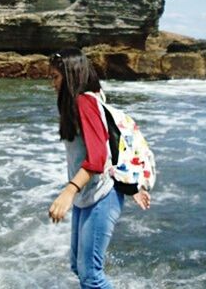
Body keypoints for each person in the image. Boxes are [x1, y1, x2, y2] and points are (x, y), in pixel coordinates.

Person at [48, 48, 151, 288]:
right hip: (88, 195)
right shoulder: (82, 102)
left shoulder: (85, 102)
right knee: (79, 267)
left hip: (102, 196)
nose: (52, 84)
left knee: (91, 276)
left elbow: (97, 158)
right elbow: (108, 144)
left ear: (71, 75)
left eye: (55, 77)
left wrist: (68, 191)